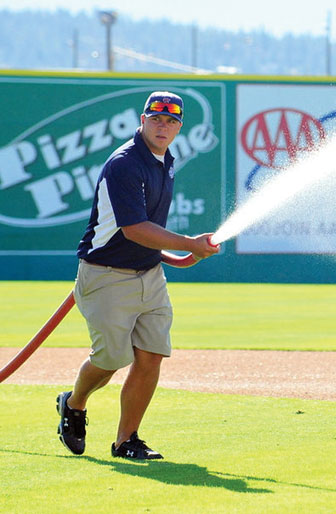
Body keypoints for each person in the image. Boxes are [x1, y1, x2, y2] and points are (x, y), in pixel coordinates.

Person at [56, 91, 219, 460]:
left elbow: (145, 233)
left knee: (150, 356)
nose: (164, 126)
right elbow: (133, 228)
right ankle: (74, 402)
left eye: (172, 121)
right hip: (106, 275)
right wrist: (189, 243)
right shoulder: (125, 163)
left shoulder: (165, 160)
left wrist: (177, 258)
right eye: (156, 119)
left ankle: (126, 440)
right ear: (142, 120)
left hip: (149, 274)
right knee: (112, 358)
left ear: (179, 127)